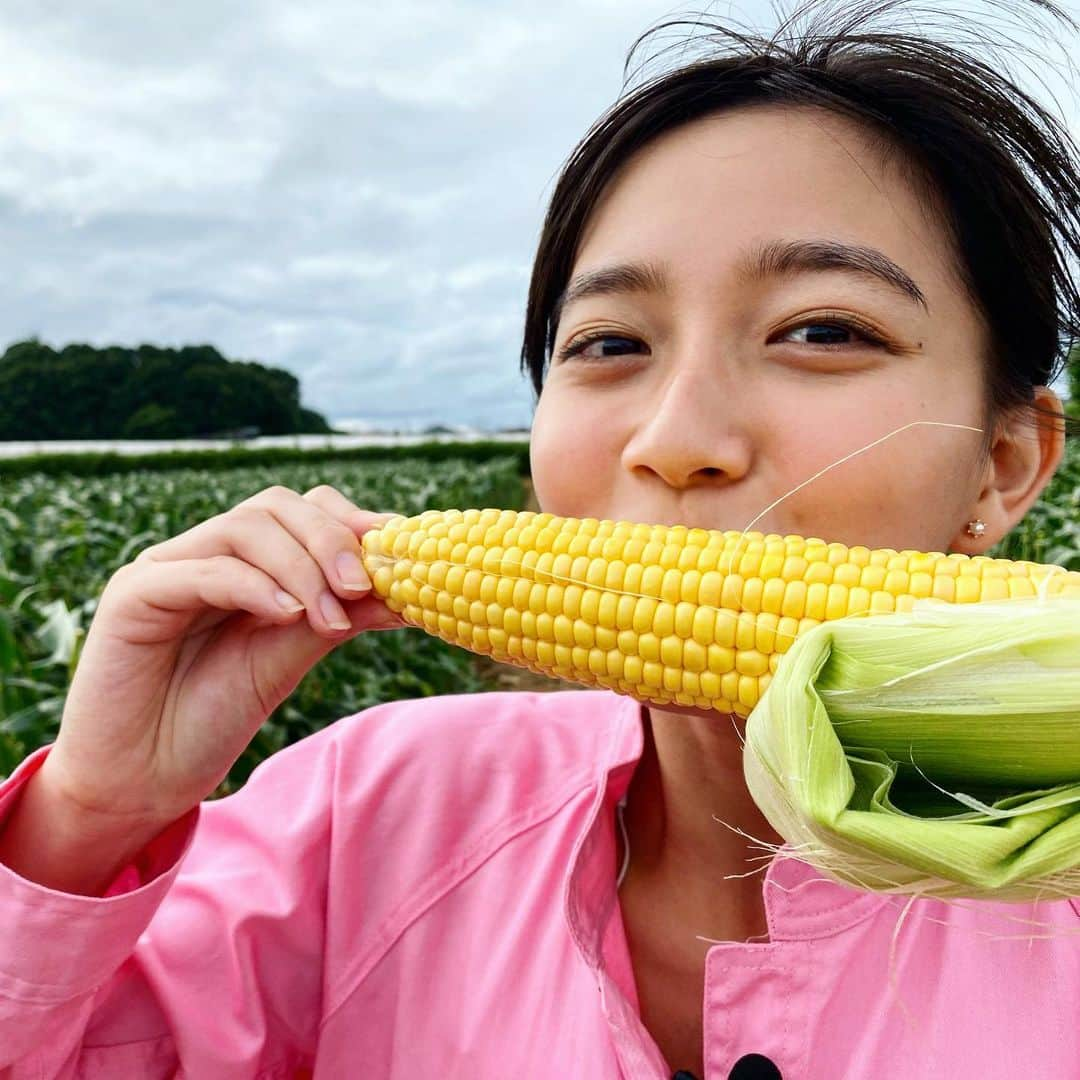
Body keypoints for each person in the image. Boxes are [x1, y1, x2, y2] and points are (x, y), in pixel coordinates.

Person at [2, 1, 1079, 1076]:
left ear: (1006, 462)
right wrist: (89, 816)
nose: (676, 438)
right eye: (609, 343)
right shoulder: (365, 822)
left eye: (824, 330)